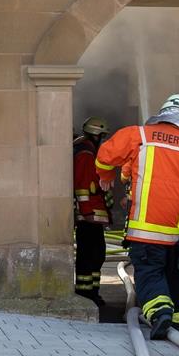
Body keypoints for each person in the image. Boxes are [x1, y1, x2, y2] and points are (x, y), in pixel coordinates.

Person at [96, 95, 179, 339]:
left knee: (150, 273)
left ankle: (160, 313)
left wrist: (105, 177)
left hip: (146, 229)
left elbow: (105, 156)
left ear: (163, 114)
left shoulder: (139, 135)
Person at [73, 116, 111, 305]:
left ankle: (92, 291)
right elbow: (82, 186)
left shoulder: (88, 151)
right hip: (88, 217)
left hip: (93, 216)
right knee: (90, 255)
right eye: (102, 137)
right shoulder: (86, 155)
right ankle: (85, 293)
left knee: (97, 254)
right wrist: (87, 212)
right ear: (95, 135)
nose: (104, 141)